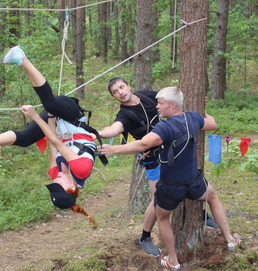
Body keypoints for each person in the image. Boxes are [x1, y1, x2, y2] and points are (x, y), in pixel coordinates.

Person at [99, 86, 240, 270]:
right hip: (193, 181)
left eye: (160, 103)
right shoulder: (194, 118)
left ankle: (173, 261)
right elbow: (212, 123)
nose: (157, 107)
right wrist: (203, 111)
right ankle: (230, 239)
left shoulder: (164, 127)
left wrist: (114, 149)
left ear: (173, 105)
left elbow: (143, 143)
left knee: (163, 217)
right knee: (212, 196)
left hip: (171, 187)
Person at [0, 45, 99, 225]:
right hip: (73, 116)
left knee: (25, 139)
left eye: (53, 185)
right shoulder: (81, 170)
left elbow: (53, 145)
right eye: (58, 185)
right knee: (51, 103)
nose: (55, 180)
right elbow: (57, 141)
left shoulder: (55, 172)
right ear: (71, 187)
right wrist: (35, 116)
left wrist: (51, 119)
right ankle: (22, 58)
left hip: (59, 123)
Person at [98, 77, 163, 256]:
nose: (120, 92)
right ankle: (145, 237)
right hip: (153, 156)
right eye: (115, 92)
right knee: (159, 198)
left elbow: (167, 99)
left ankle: (202, 216)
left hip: (173, 150)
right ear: (114, 97)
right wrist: (99, 133)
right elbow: (114, 128)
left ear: (129, 86)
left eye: (121, 87)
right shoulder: (125, 115)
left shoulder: (148, 96)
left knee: (190, 182)